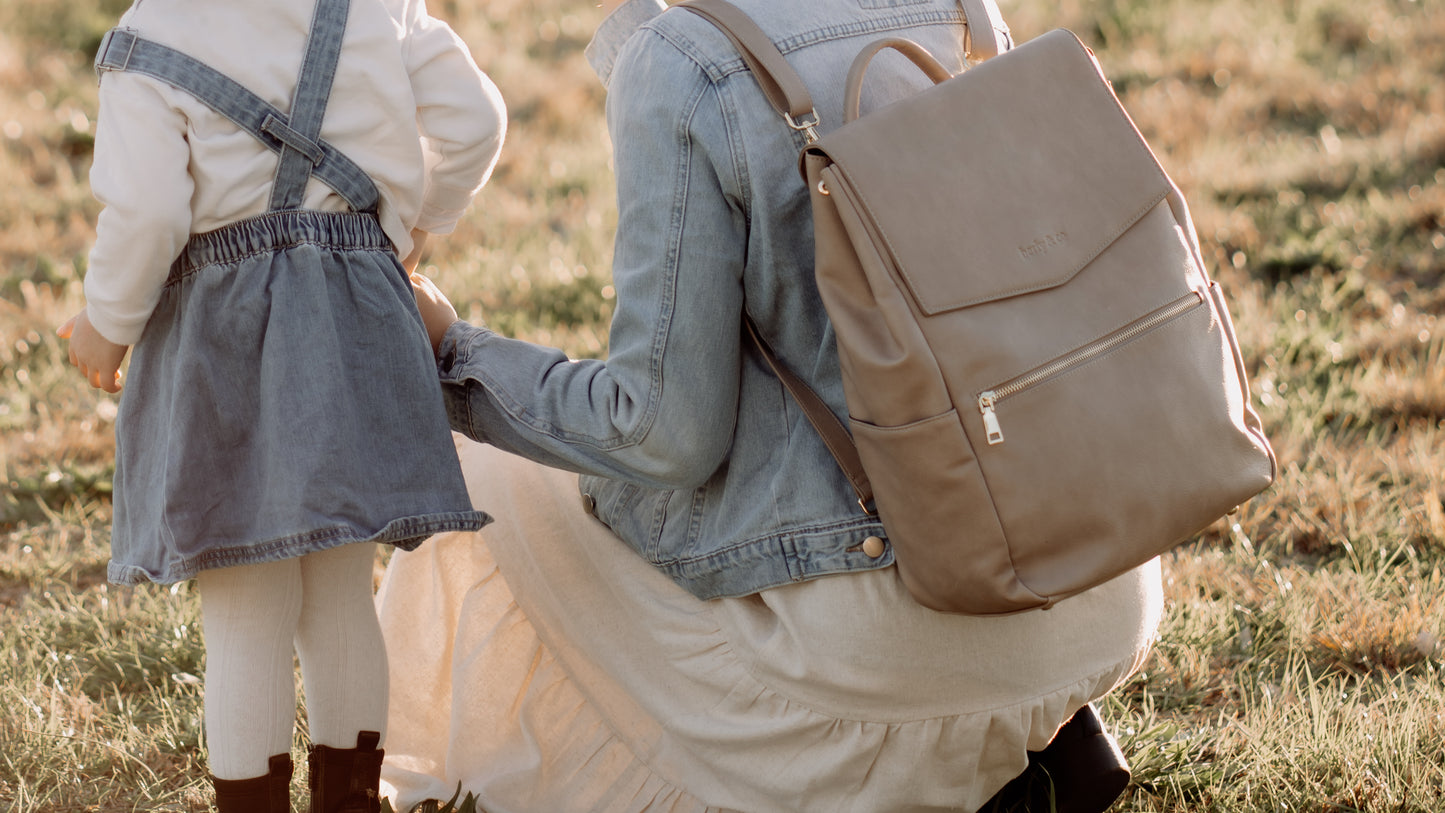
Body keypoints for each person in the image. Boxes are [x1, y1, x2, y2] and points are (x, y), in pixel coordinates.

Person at [380, 0, 1164, 810]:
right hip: (1096, 582)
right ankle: (1024, 745)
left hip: (897, 650)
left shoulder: (682, 63)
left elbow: (663, 437)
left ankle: (924, 770)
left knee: (497, 480)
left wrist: (452, 356)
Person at [55, 0, 504, 809]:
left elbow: (151, 212)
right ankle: (350, 800)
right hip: (359, 309)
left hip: (226, 333)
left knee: (245, 607)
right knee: (339, 584)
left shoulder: (152, 32)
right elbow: (475, 119)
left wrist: (105, 325)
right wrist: (414, 229)